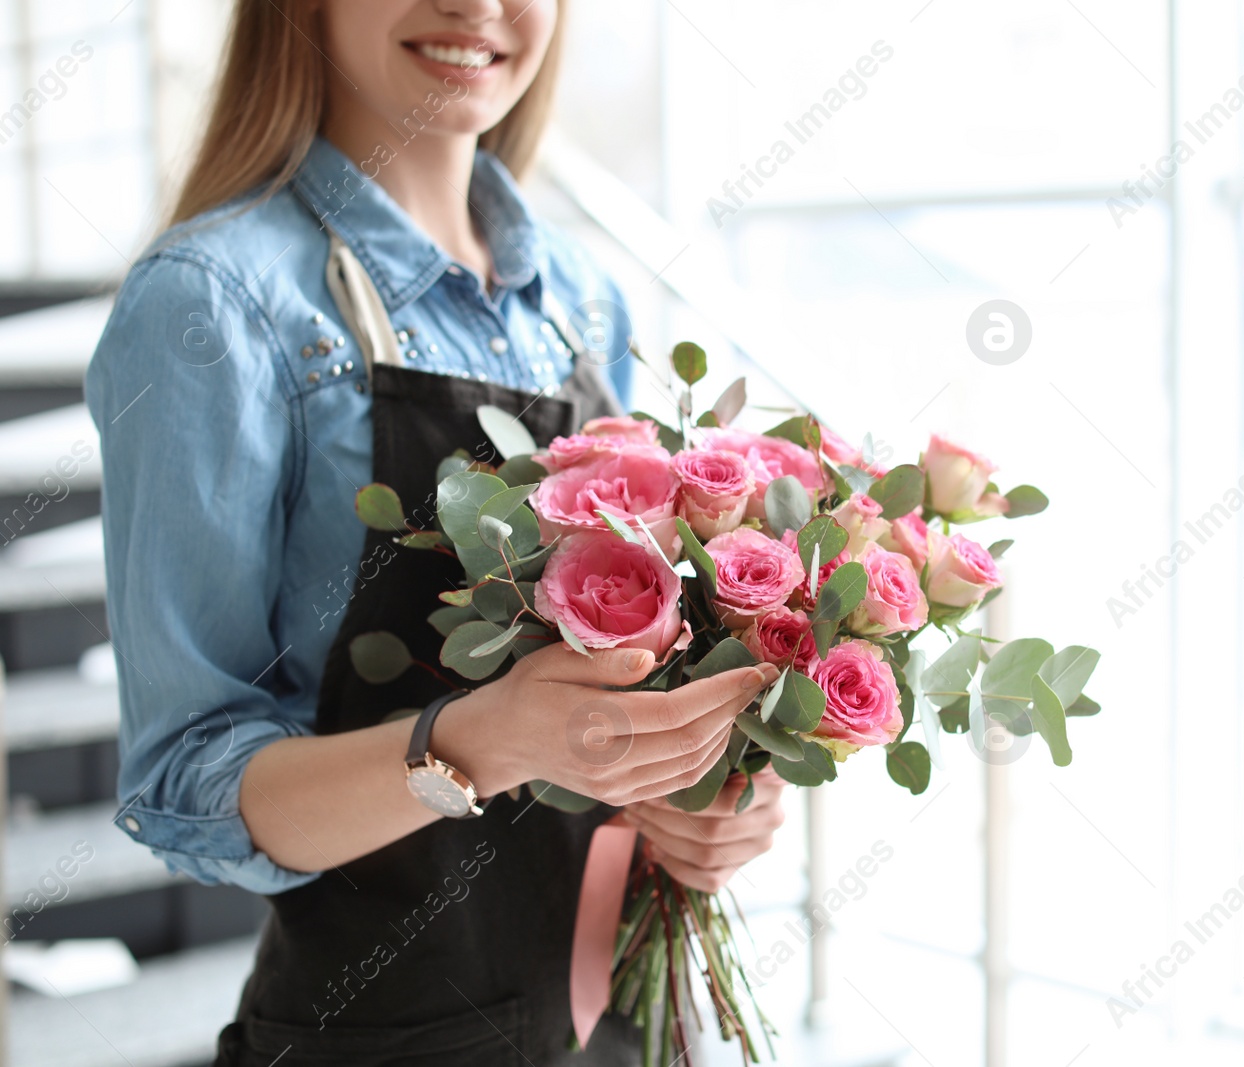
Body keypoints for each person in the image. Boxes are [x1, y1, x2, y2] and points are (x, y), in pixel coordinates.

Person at [84, 2, 786, 1063]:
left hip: (611, 1020)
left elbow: (615, 708)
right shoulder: (216, 306)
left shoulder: (580, 302)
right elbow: (183, 782)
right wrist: (475, 739)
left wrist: (686, 795)